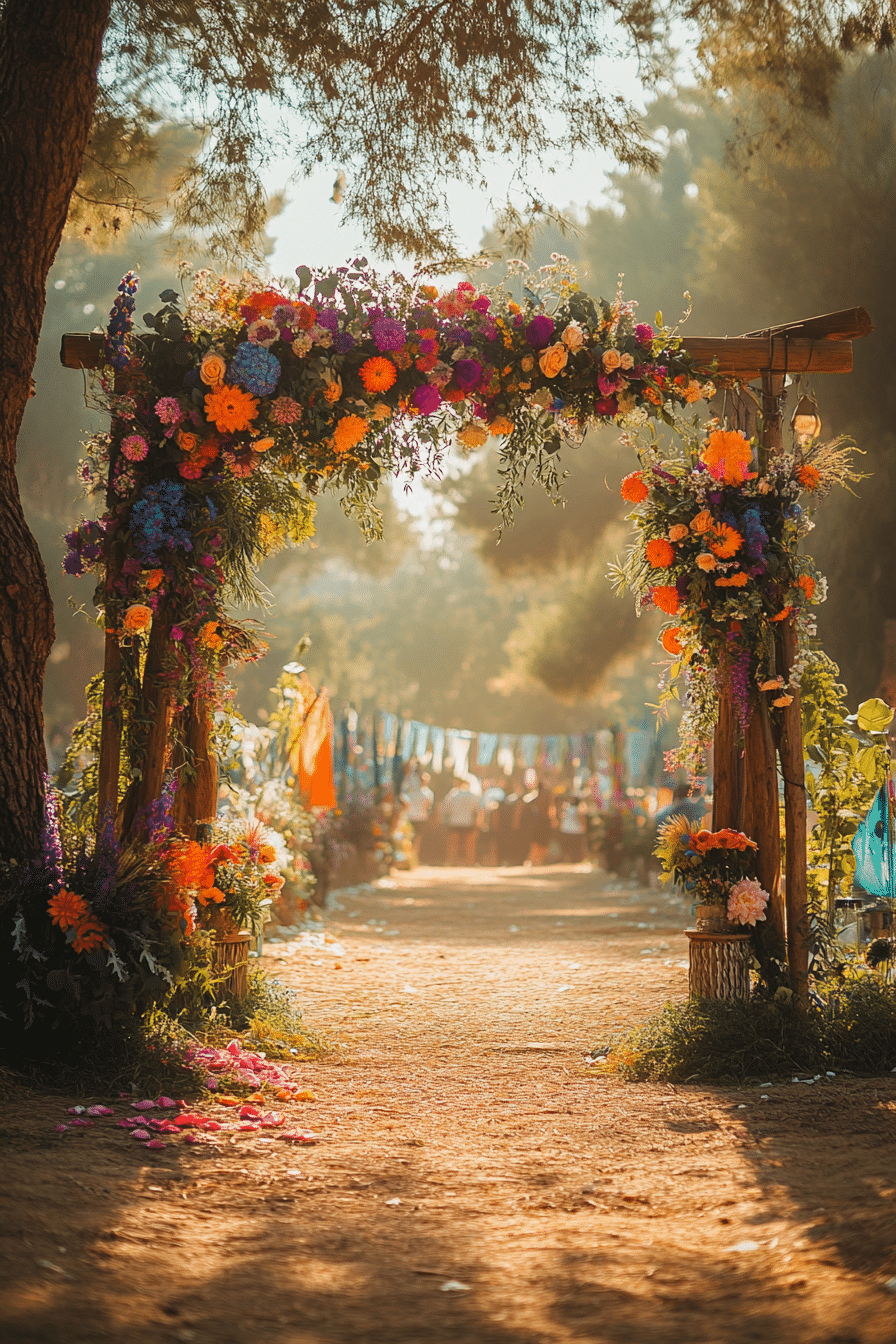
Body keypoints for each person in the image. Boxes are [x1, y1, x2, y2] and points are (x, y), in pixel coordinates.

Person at [439, 777, 481, 865]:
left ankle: (450, 861)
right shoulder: (473, 796)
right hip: (468, 822)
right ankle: (470, 862)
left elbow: (444, 809)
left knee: (452, 844)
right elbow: (479, 810)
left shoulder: (452, 795)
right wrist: (478, 823)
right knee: (469, 845)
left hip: (454, 822)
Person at [401, 769, 434, 866]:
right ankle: (409, 859)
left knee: (417, 839)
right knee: (409, 838)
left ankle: (414, 859)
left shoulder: (428, 793)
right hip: (411, 818)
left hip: (421, 818)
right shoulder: (413, 790)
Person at [558, 791, 587, 863]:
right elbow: (582, 819)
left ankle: (571, 860)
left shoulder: (566, 807)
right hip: (575, 831)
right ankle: (573, 860)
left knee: (570, 847)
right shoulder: (577, 808)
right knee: (574, 848)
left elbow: (561, 817)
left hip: (568, 831)